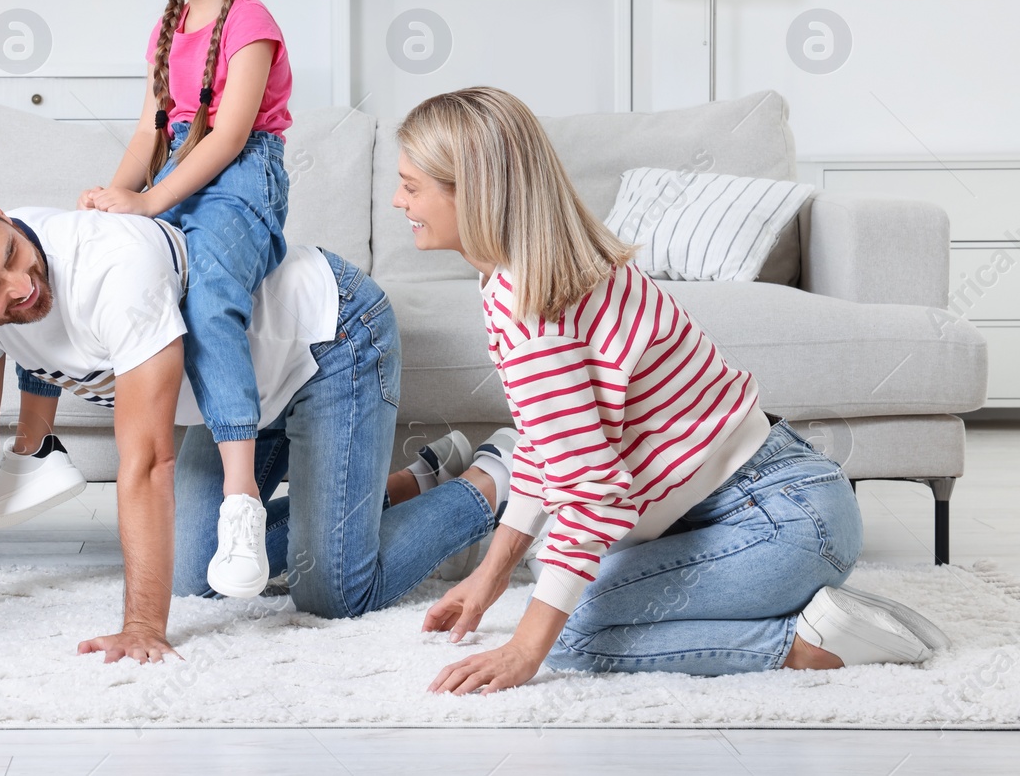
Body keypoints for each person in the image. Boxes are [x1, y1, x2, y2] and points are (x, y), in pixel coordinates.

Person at [389, 87, 948, 695]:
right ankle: (786, 595)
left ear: (472, 191)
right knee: (554, 576)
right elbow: (547, 448)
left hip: (780, 521)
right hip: (777, 502)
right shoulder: (542, 270)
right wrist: (492, 576)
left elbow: (591, 495)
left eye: (412, 187)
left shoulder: (534, 309)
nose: (399, 201)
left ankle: (807, 645)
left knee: (571, 634)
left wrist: (526, 649)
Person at [0, 181, 500, 660]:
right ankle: (401, 484)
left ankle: (503, 476)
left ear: (1, 214)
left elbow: (147, 458)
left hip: (328, 340)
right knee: (196, 575)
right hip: (236, 399)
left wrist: (143, 626)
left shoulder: (112, 267)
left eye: (10, 251)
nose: (20, 285)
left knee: (334, 590)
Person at [76, 0, 293, 598]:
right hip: (177, 170)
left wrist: (151, 202)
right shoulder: (166, 25)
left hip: (240, 181)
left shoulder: (250, 23)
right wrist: (118, 195)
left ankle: (241, 499)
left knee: (205, 299)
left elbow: (228, 138)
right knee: (93, 267)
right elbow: (150, 129)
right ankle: (33, 445)